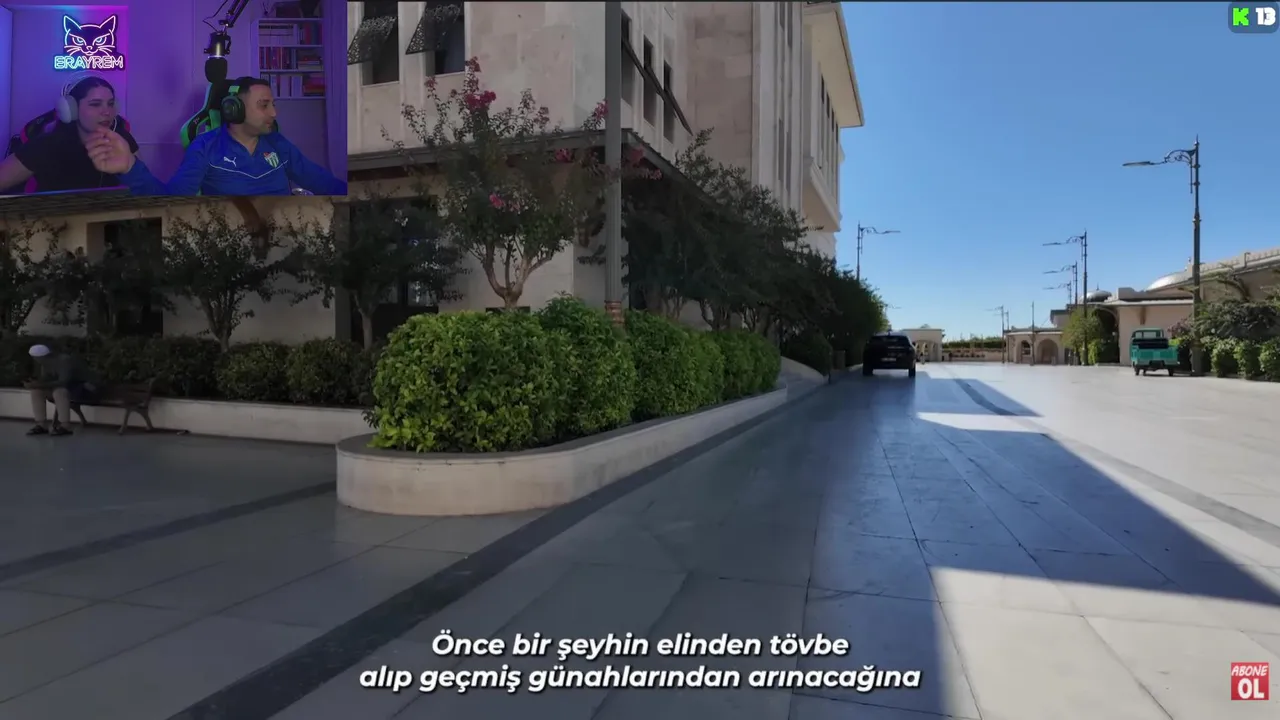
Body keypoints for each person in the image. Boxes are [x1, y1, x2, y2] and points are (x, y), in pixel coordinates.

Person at [85, 77, 347, 196]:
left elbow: (321, 181)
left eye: (273, 104)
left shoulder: (278, 144)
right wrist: (130, 167)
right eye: (264, 105)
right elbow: (172, 200)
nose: (274, 113)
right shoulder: (205, 147)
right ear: (234, 109)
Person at [0, 76, 139, 193]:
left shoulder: (122, 140)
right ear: (71, 109)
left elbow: (144, 187)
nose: (107, 112)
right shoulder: (45, 146)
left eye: (110, 104)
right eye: (95, 104)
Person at [24, 344, 98, 437]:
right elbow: (47, 380)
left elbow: (64, 382)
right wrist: (35, 383)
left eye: (35, 357)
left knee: (59, 392)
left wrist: (40, 384)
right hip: (69, 390)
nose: (35, 360)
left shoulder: (64, 361)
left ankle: (66, 426)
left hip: (84, 389)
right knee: (37, 391)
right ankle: (41, 424)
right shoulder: (45, 364)